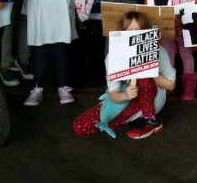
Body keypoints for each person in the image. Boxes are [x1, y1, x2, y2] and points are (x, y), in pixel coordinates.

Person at [73, 10, 176, 139]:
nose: (133, 34)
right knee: (80, 125)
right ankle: (128, 119)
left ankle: (150, 121)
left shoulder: (159, 51)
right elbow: (114, 94)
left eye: (138, 29)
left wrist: (149, 68)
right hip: (126, 98)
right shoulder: (113, 56)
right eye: (129, 30)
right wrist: (125, 95)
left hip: (152, 99)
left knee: (142, 75)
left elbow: (171, 85)